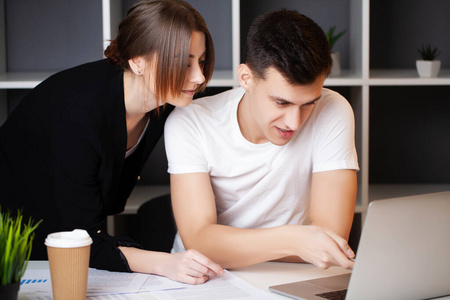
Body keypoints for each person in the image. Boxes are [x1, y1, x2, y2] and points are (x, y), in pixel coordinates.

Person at [0, 0, 224, 284]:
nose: (199, 77)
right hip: (15, 244)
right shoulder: (79, 112)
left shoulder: (167, 95)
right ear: (137, 62)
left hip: (62, 240)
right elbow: (80, 239)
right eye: (184, 62)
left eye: (201, 61)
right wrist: (166, 263)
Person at [164, 9, 359, 270]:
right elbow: (199, 242)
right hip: (206, 275)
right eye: (281, 102)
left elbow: (330, 243)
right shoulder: (191, 122)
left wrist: (228, 245)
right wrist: (296, 240)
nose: (295, 122)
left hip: (293, 275)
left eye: (308, 104)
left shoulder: (332, 109)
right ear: (246, 78)